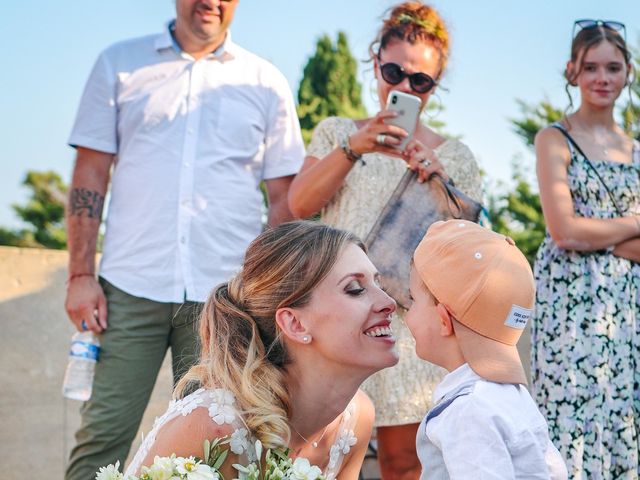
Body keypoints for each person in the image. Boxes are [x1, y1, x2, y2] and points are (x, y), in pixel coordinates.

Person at [63, 1, 305, 478]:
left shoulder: (266, 81)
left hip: (226, 299)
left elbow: (285, 201)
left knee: (220, 444)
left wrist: (273, 295)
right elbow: (90, 174)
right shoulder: (119, 63)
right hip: (127, 288)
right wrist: (79, 274)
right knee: (103, 438)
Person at [288, 2, 482, 477]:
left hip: (410, 323)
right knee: (320, 451)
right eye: (394, 71)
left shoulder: (455, 156)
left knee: (402, 460)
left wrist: (439, 182)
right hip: (333, 314)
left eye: (421, 81)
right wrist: (356, 147)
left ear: (436, 87)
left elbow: (468, 251)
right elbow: (298, 205)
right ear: (375, 62)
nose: (404, 87)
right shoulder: (338, 132)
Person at [121, 220, 399, 479]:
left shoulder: (356, 419)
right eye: (355, 288)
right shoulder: (214, 429)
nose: (389, 302)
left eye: (379, 284)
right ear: (295, 323)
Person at [531, 19, 640, 478]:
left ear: (627, 73)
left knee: (623, 410)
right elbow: (565, 231)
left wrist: (602, 234)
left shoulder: (636, 149)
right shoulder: (554, 138)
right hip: (569, 301)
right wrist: (631, 228)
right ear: (572, 71)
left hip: (628, 304)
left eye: (612, 67)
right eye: (591, 67)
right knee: (571, 407)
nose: (602, 78)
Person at [405, 219, 567, 479]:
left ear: (443, 320)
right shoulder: (511, 394)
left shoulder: (468, 411)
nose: (405, 312)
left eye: (412, 299)